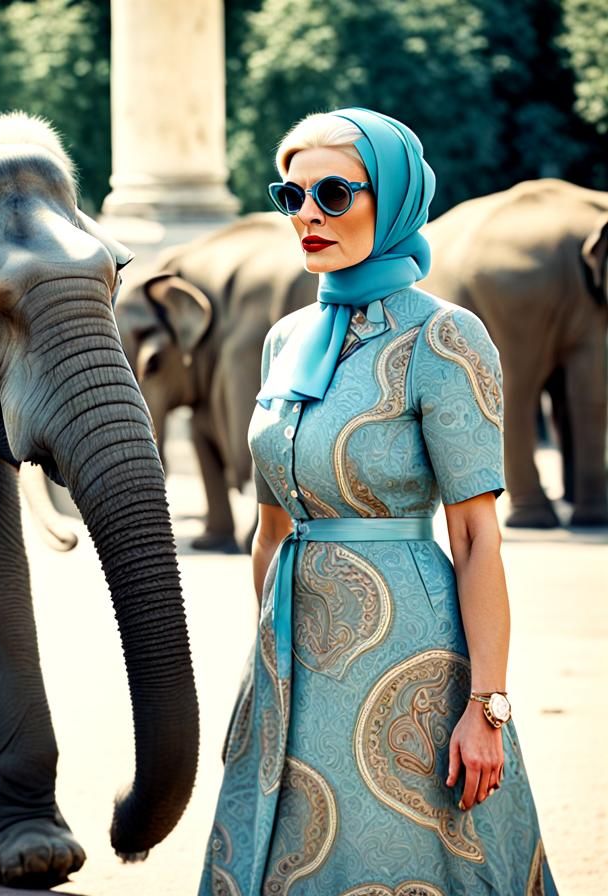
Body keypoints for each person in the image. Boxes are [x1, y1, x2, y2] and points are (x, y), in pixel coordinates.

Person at [198, 108, 558, 894]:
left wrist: (487, 706)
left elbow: (475, 541)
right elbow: (271, 527)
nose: (308, 217)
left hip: (412, 662)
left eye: (334, 193)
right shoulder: (283, 339)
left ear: (391, 198)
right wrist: (269, 666)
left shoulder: (447, 337)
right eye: (290, 196)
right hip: (289, 660)